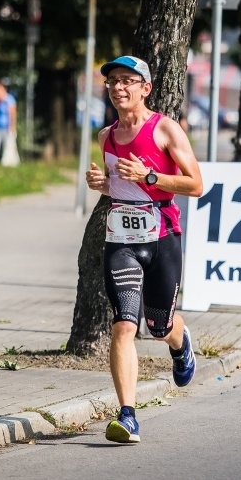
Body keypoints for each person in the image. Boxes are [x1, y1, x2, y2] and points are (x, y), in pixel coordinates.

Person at [85, 55, 203, 444]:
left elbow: (196, 184)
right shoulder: (106, 137)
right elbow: (124, 188)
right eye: (113, 81)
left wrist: (150, 174)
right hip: (121, 241)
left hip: (162, 237)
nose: (119, 88)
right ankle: (128, 415)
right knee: (123, 324)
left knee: (159, 326)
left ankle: (179, 340)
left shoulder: (165, 129)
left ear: (145, 89)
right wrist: (101, 184)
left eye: (127, 81)